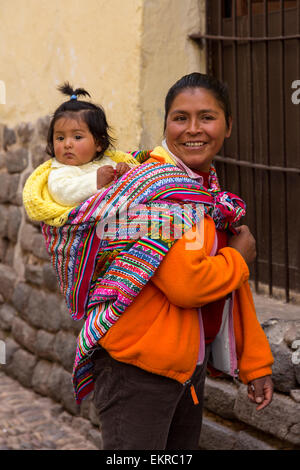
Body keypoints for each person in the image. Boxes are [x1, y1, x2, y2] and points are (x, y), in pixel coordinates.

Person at [90, 73, 274, 450]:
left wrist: (254, 362)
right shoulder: (159, 189)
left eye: (206, 117)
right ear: (166, 125)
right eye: (180, 118)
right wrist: (239, 257)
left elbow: (231, 287)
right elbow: (187, 285)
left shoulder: (206, 190)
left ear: (228, 126)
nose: (193, 129)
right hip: (139, 371)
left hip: (185, 368)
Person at [46, 82, 134, 207]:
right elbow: (63, 194)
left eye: (77, 137)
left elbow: (132, 182)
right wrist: (95, 181)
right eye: (60, 138)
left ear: (98, 143)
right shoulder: (60, 171)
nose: (67, 144)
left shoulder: (106, 162)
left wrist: (126, 171)